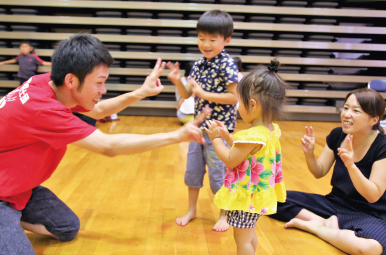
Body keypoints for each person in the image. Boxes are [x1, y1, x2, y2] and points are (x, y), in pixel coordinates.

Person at [0, 33, 210, 255]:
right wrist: (176, 136)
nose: (103, 89)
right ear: (71, 80)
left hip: (21, 188)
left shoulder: (46, 82)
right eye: (99, 83)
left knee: (67, 228)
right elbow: (108, 146)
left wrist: (141, 93)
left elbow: (97, 110)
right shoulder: (43, 108)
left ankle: (12, 221)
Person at [269, 88, 386, 255]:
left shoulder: (382, 146)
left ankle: (319, 228)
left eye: (356, 111)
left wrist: (351, 166)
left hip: (369, 213)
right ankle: (325, 223)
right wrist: (309, 154)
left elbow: (373, 195)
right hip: (334, 203)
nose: (347, 114)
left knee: (370, 249)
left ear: (373, 120)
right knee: (272, 198)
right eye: (345, 108)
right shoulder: (338, 135)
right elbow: (319, 171)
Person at [205, 59, 287, 255]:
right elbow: (248, 151)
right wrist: (227, 136)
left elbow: (231, 159)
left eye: (238, 102)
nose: (237, 107)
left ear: (252, 104)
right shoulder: (270, 130)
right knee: (248, 236)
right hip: (257, 196)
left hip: (245, 197)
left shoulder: (251, 136)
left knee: (242, 241)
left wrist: (216, 139)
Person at [166, 9, 239, 231]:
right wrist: (178, 82)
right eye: (201, 38)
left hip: (219, 132)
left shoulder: (227, 64)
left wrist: (205, 94)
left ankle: (225, 214)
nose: (205, 44)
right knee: (193, 172)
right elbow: (188, 93)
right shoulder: (198, 64)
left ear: (226, 40)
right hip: (198, 130)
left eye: (212, 39)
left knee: (219, 175)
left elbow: (234, 97)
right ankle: (191, 210)